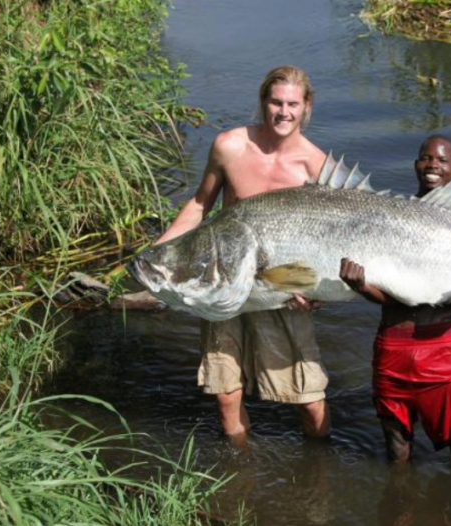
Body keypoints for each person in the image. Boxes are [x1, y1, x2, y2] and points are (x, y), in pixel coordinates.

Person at [153, 65, 330, 445]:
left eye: (292, 104)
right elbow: (201, 203)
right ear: (263, 102)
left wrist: (317, 292)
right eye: (276, 102)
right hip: (225, 281)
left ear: (307, 106)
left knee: (308, 396)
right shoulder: (230, 146)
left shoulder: (316, 166)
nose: (283, 112)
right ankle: (240, 474)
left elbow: (331, 240)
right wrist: (159, 252)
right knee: (225, 392)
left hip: (280, 287)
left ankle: (320, 470)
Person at [339, 135, 451, 468]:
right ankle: (400, 512)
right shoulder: (389, 217)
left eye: (441, 160)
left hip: (443, 351)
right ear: (416, 165)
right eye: (425, 158)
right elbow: (386, 295)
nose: (432, 164)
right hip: (392, 348)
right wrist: (361, 286)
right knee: (396, 451)